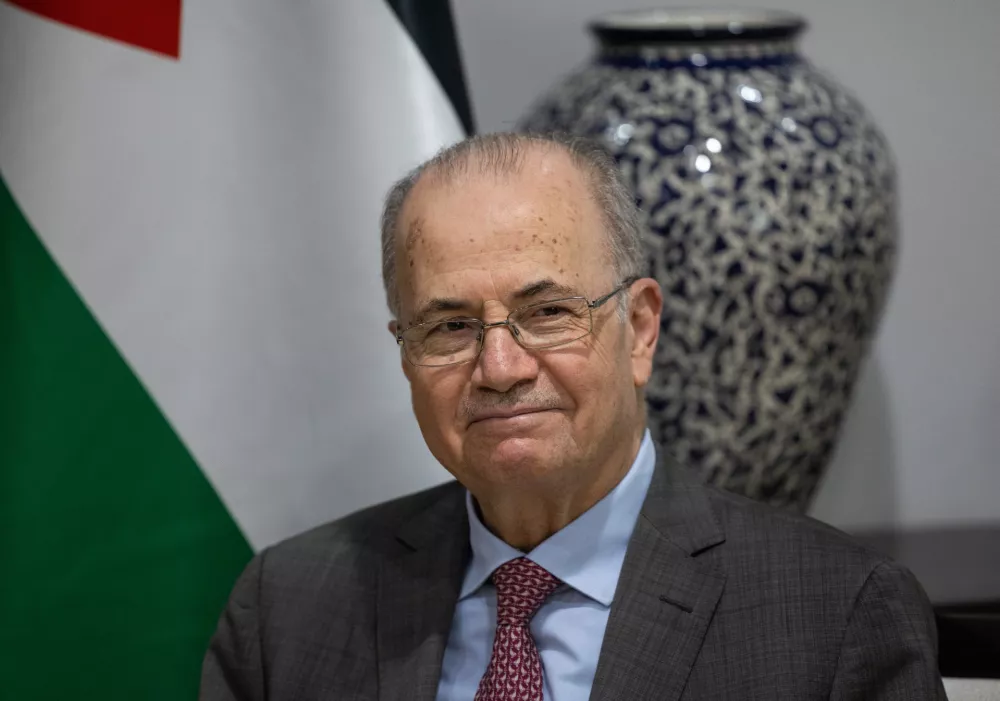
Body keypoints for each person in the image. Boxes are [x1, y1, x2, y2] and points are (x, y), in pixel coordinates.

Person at [200, 132, 945, 700]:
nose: (500, 368)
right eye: (451, 327)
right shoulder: (288, 608)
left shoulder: (835, 615)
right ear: (405, 354)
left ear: (641, 328)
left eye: (549, 312)